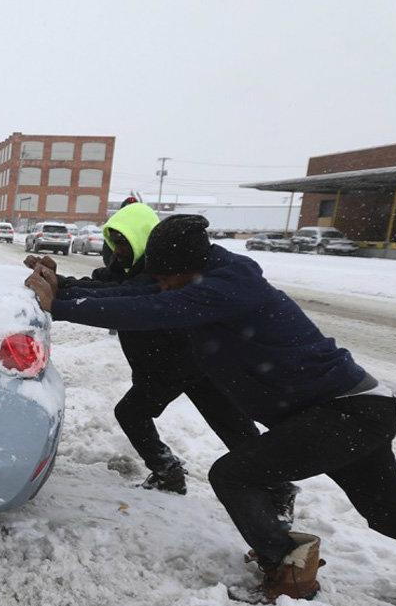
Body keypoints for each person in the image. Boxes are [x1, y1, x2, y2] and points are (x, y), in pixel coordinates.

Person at [24, 215, 396, 606]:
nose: (162, 286)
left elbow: (154, 310)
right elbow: (143, 292)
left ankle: (287, 568)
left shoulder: (222, 290)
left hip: (345, 412)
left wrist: (63, 308)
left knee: (233, 474)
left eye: (168, 278)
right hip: (362, 406)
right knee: (389, 515)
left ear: (189, 268)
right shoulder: (213, 272)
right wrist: (65, 288)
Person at [26, 201, 272, 497]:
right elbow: (103, 286)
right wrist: (60, 282)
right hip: (181, 361)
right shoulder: (126, 267)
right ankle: (272, 484)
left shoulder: (163, 270)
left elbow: (129, 297)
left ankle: (170, 472)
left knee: (135, 413)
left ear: (140, 236)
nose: (117, 249)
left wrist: (60, 303)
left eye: (123, 241)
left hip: (177, 361)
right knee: (229, 422)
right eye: (113, 241)